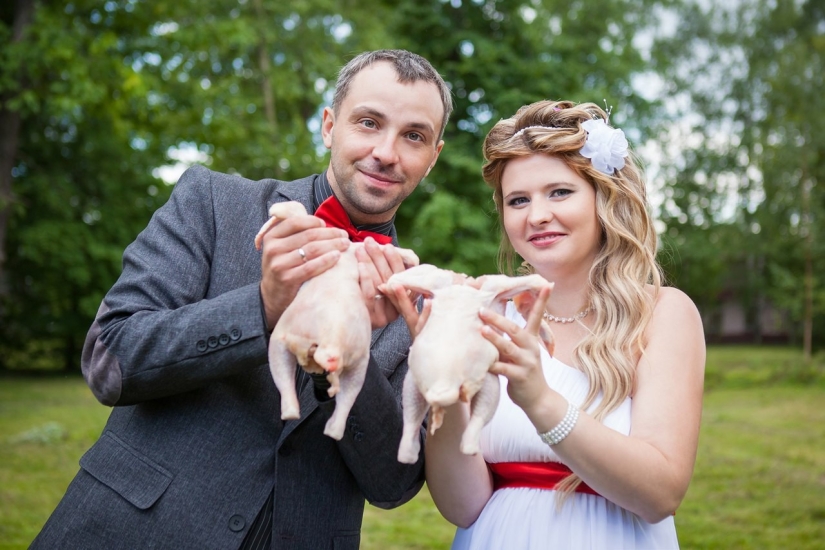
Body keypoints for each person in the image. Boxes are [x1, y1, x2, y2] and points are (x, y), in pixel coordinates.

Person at [31, 49, 452, 550]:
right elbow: (111, 362)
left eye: (413, 136)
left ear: (433, 157)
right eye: (368, 122)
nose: (387, 151)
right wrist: (264, 306)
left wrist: (348, 358)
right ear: (328, 126)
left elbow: (394, 485)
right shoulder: (211, 202)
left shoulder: (421, 303)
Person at [386, 100, 705, 548]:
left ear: (604, 197)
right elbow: (463, 506)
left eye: (559, 192)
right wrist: (445, 382)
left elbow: (661, 493)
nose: (536, 216)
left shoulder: (662, 313)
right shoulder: (489, 312)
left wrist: (540, 400)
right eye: (518, 200)